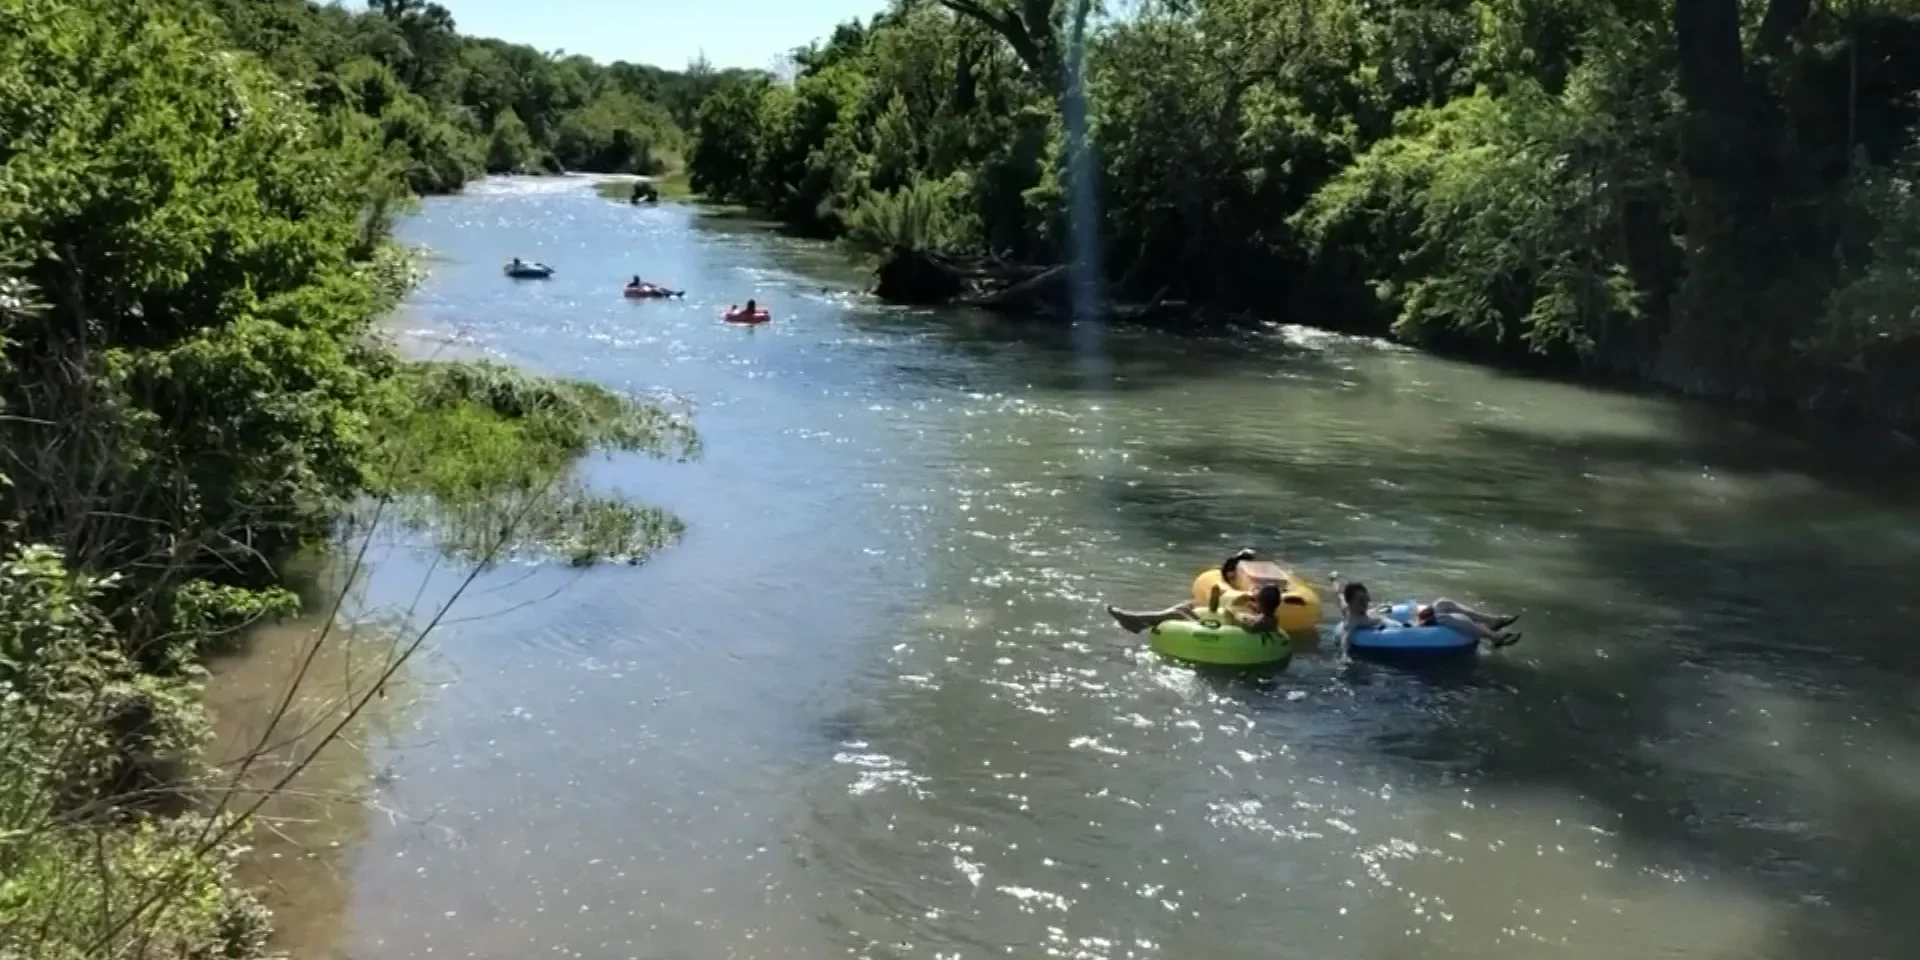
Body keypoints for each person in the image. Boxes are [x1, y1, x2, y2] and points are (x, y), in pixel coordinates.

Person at [1334, 579, 1520, 647]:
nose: (1366, 603)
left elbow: (1340, 595)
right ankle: (1494, 638)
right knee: (1443, 617)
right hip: (1408, 630)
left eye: (1366, 598)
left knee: (1442, 602)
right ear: (1352, 603)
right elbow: (1346, 638)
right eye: (1361, 601)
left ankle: (1491, 621)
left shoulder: (1347, 607)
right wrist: (1344, 662)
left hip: (1407, 623)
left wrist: (1334, 581)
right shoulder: (1354, 620)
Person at [1107, 583, 1285, 636]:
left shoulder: (1267, 620)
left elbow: (1252, 626)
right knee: (1186, 606)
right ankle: (1138, 624)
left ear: (1262, 600)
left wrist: (1236, 614)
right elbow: (1218, 611)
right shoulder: (1259, 611)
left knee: (1178, 615)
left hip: (1217, 635)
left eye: (1257, 595)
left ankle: (1134, 619)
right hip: (1215, 627)